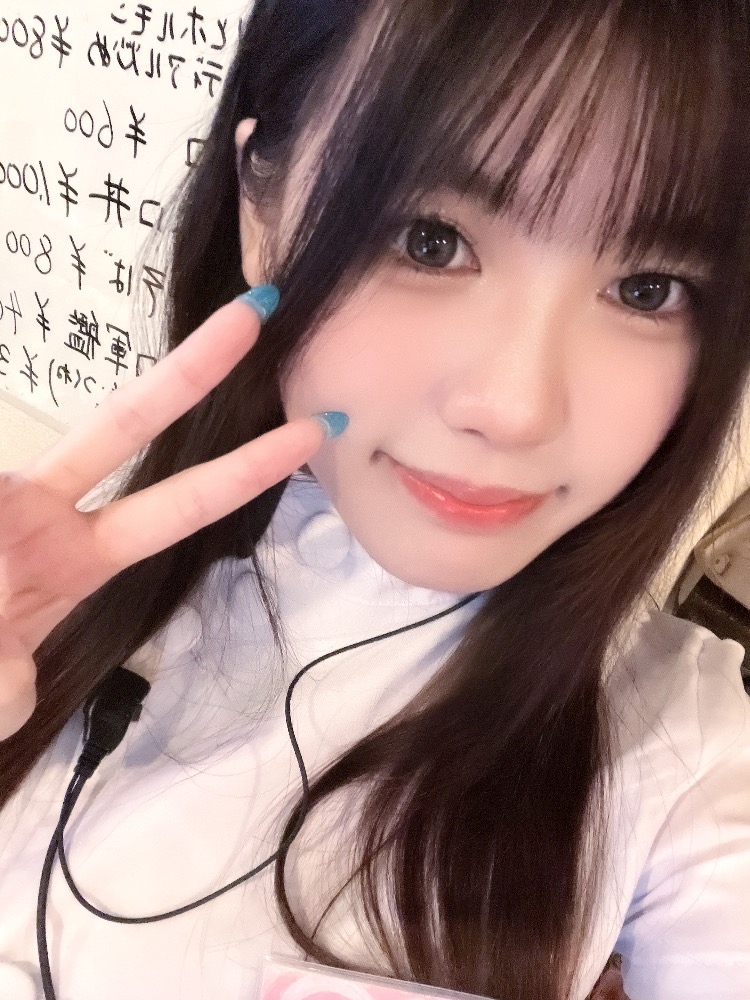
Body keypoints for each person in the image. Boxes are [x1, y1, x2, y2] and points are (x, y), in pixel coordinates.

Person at [1, 1, 749, 998]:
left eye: (650, 289)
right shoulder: (47, 587)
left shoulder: (686, 748)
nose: (515, 409)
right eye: (430, 240)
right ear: (260, 214)